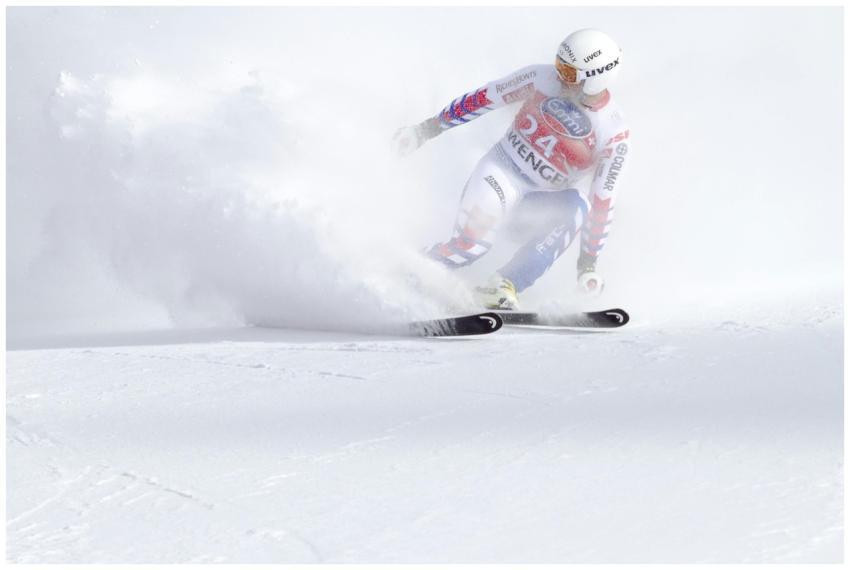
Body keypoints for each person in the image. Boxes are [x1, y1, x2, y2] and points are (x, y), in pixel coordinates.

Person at [394, 29, 630, 310]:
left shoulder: (613, 132)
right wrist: (426, 130)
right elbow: (484, 99)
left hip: (538, 206)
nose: (558, 76)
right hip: (501, 174)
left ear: (594, 78)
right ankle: (406, 272)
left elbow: (602, 200)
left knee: (578, 206)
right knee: (471, 248)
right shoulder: (540, 78)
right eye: (558, 65)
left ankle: (503, 285)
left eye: (568, 72)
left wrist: (588, 265)